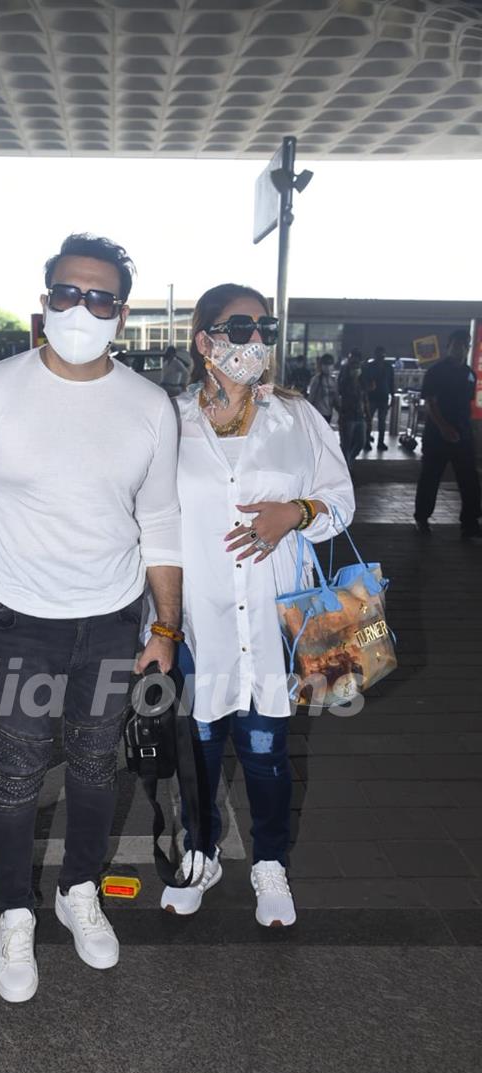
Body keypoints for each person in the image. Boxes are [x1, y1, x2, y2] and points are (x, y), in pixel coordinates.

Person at [0, 233, 183, 1003]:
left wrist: (164, 627)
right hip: (17, 622)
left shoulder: (147, 404)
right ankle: (13, 910)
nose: (81, 308)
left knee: (99, 766)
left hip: (111, 619)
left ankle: (80, 891)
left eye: (100, 298)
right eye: (67, 293)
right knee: (17, 769)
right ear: (45, 301)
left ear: (122, 314)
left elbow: (160, 520)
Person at [157, 283, 354, 927]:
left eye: (263, 326)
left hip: (274, 628)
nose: (254, 339)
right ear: (203, 339)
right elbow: (148, 521)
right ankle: (201, 851)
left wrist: (295, 513)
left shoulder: (296, 418)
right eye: (237, 327)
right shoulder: (170, 420)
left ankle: (270, 861)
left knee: (268, 753)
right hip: (196, 626)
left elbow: (341, 503)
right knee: (198, 748)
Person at [414, 328, 482, 540]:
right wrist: (444, 427)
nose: (459, 349)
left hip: (462, 435)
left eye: (464, 345)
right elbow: (430, 403)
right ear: (448, 347)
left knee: (469, 480)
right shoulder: (436, 372)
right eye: (456, 345)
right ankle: (422, 518)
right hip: (437, 435)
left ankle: (470, 524)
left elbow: (466, 405)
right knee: (430, 478)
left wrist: (467, 431)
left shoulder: (469, 373)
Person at [337, 350, 370, 469]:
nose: (356, 370)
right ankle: (346, 468)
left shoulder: (362, 383)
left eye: (358, 367)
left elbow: (365, 399)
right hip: (348, 416)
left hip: (360, 416)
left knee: (361, 442)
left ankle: (349, 460)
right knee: (346, 443)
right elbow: (340, 397)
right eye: (353, 367)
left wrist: (368, 416)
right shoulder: (345, 383)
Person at [363, 345, 394, 451]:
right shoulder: (369, 366)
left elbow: (392, 383)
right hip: (372, 397)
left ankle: (380, 442)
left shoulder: (389, 367)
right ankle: (366, 441)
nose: (381, 356)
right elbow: (365, 381)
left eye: (382, 354)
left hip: (383, 397)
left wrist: (393, 396)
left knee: (381, 422)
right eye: (379, 354)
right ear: (375, 355)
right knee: (369, 420)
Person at [307, 353, 337, 423]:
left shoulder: (333, 380)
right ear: (322, 366)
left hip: (329, 413)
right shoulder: (317, 380)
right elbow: (311, 397)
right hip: (318, 413)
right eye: (325, 364)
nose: (328, 367)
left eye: (330, 364)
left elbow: (336, 398)